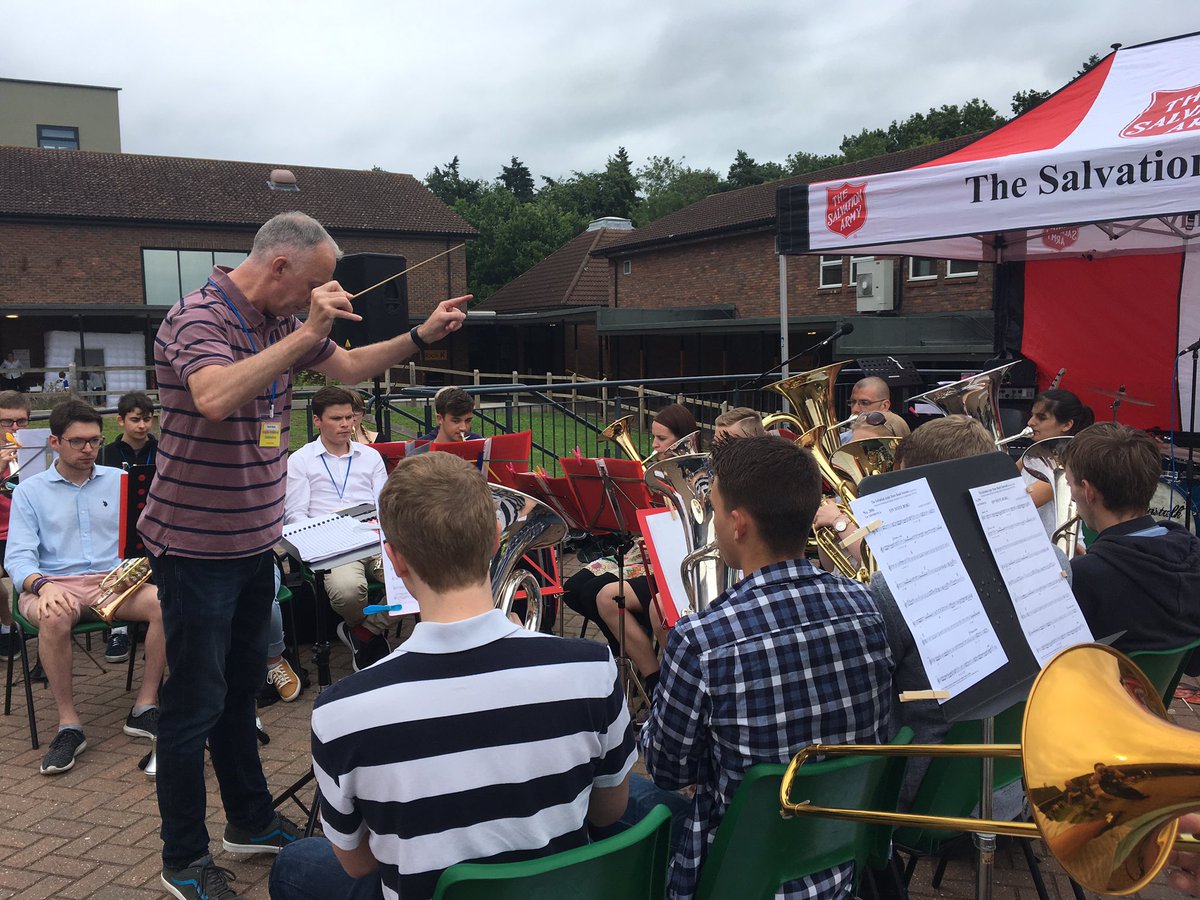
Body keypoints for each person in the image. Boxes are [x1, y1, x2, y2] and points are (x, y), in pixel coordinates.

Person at [139, 211, 469, 900]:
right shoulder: (195, 316)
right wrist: (307, 336)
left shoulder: (282, 324)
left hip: (255, 540)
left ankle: (251, 822)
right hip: (197, 548)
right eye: (318, 283)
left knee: (239, 692)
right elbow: (213, 397)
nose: (326, 297)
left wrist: (419, 336)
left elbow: (345, 365)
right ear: (280, 267)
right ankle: (183, 857)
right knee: (192, 705)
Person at [269, 452, 636, 900]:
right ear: (498, 537)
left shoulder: (340, 711)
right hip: (555, 889)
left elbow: (358, 861)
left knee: (297, 863)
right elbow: (608, 811)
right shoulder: (591, 667)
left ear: (395, 561)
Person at [634, 436, 892, 900]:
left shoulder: (701, 639)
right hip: (837, 862)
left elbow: (668, 770)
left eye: (712, 510)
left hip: (737, 876)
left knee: (630, 803)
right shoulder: (867, 605)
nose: (710, 523)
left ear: (738, 524)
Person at [3, 400, 166, 775]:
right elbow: (18, 559)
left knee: (165, 602)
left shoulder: (122, 480)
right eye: (78, 442)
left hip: (114, 582)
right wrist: (42, 586)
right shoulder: (30, 491)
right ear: (54, 442)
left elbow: (147, 537)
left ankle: (145, 706)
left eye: (94, 440)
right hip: (52, 584)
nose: (89, 450)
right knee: (55, 617)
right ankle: (69, 725)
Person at [582, 403, 702, 694]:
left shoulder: (699, 476)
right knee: (599, 593)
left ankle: (672, 686)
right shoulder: (656, 475)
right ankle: (655, 680)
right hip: (657, 559)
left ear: (683, 439)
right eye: (653, 438)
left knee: (638, 603)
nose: (654, 445)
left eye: (662, 439)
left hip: (686, 566)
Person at [1064, 423, 1200, 652]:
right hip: (1161, 686)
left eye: (1070, 484)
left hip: (1108, 686)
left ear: (1088, 491)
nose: (1071, 495)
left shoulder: (1086, 576)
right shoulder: (1192, 552)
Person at [285, 386, 390, 671]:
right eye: (336, 419)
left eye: (349, 417)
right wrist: (323, 534)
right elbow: (295, 515)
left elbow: (384, 506)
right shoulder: (301, 460)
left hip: (374, 539)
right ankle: (365, 631)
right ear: (317, 420)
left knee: (418, 581)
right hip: (332, 546)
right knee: (347, 591)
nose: (346, 424)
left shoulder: (370, 457)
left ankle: (365, 631)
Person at [98, 390, 159, 664]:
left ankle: (157, 627)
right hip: (113, 524)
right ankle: (118, 628)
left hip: (155, 523)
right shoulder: (104, 454)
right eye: (135, 419)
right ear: (120, 421)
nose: (142, 426)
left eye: (147, 419)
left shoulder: (162, 450)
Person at [1023, 388, 1095, 536]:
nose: (1030, 422)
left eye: (1041, 418)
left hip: (1057, 547)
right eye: (1032, 415)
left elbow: (1023, 504)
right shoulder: (1034, 453)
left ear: (1066, 425)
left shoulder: (1065, 464)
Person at [0, 390, 32, 657]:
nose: (14, 428)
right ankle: (7, 625)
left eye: (21, 422)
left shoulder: (40, 449)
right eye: (6, 422)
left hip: (30, 530)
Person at [416, 386, 482, 442]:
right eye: (456, 421)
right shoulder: (420, 455)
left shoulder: (480, 446)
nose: (463, 428)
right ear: (440, 419)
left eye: (468, 420)